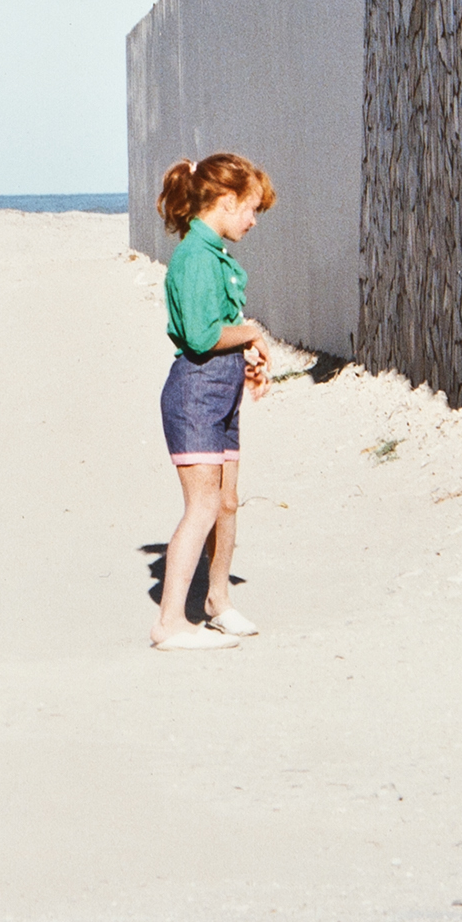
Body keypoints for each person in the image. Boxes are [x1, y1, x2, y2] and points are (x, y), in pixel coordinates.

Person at [151, 152, 277, 650]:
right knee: (202, 506)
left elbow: (215, 335)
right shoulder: (197, 257)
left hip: (217, 390)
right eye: (249, 209)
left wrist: (245, 354)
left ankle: (217, 601)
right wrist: (251, 332)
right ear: (225, 202)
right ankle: (169, 625)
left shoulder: (210, 253)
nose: (251, 219)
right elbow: (202, 337)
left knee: (226, 502)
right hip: (196, 395)